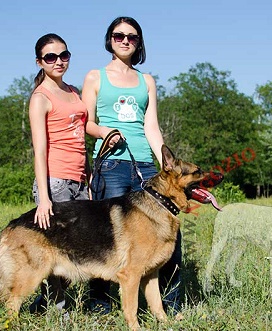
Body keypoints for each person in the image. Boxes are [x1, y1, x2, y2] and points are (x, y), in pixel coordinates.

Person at [82, 16, 182, 316]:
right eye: (118, 35)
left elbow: (151, 126)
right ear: (109, 39)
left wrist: (166, 164)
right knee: (105, 238)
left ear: (139, 43)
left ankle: (172, 304)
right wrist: (105, 133)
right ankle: (100, 305)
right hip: (110, 165)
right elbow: (86, 122)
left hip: (146, 169)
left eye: (132, 37)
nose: (125, 40)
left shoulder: (146, 81)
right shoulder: (94, 77)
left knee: (168, 238)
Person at [28, 33, 89, 314]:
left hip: (78, 181)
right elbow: (40, 151)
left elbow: (81, 140)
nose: (59, 61)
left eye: (64, 55)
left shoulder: (74, 91)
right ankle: (57, 310)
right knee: (55, 250)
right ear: (40, 62)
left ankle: (47, 305)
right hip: (56, 182)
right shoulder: (41, 97)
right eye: (51, 57)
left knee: (75, 249)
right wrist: (44, 197)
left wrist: (86, 181)